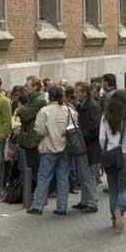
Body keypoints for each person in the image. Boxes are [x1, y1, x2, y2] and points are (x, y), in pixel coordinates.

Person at [26, 86, 75, 215]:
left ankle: (38, 206)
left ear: (50, 96)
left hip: (48, 147)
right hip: (65, 147)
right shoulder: (69, 110)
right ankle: (62, 207)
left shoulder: (44, 111)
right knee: (63, 177)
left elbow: (40, 130)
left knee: (44, 177)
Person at [99, 90, 126, 233]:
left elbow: (101, 139)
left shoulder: (105, 117)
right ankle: (119, 211)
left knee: (114, 188)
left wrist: (105, 151)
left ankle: (114, 218)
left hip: (110, 154)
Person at [71, 82, 101, 213]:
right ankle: (84, 200)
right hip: (83, 144)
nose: (75, 94)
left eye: (78, 92)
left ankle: (92, 202)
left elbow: (95, 127)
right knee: (83, 174)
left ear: (84, 93)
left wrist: (82, 136)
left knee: (88, 174)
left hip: (88, 145)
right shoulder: (82, 105)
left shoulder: (92, 106)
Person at [17, 76, 47, 190]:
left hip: (34, 138)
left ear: (35, 87)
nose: (25, 88)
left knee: (36, 167)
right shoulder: (32, 98)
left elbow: (26, 115)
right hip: (29, 137)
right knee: (32, 167)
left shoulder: (39, 100)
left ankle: (40, 194)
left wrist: (20, 109)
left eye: (28, 86)